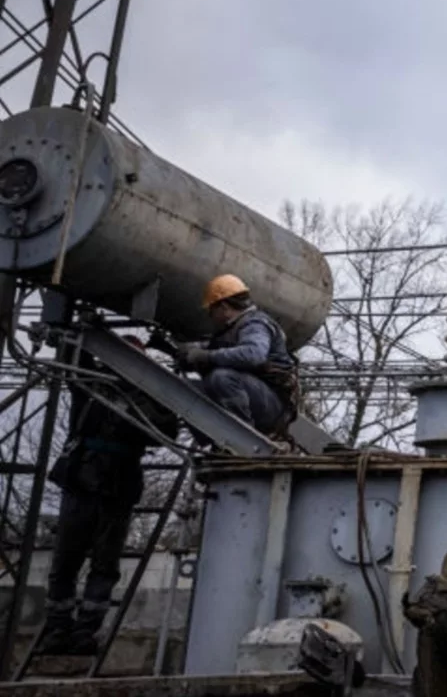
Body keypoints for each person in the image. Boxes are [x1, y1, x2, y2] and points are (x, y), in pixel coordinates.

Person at [41, 343, 175, 656]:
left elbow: (165, 427)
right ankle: (58, 628)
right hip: (82, 478)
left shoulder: (147, 393)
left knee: (104, 562)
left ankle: (85, 630)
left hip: (117, 484)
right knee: (65, 560)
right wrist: (81, 331)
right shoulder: (91, 381)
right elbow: (72, 359)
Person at [178, 274, 299, 437]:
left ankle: (242, 437)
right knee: (190, 391)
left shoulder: (255, 323)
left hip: (273, 404)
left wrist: (206, 356)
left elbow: (253, 355)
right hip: (256, 396)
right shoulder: (232, 329)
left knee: (222, 377)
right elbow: (219, 348)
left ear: (224, 307)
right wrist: (194, 350)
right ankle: (217, 441)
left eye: (211, 310)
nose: (210, 316)